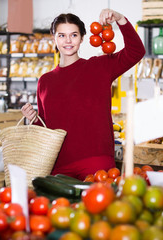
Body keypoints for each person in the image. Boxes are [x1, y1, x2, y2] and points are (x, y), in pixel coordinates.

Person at [21, 9, 145, 180]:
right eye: (62, 35)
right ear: (54, 38)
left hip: (97, 161)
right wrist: (33, 118)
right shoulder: (45, 81)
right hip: (58, 165)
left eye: (73, 35)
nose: (68, 41)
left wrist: (120, 19)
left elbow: (136, 52)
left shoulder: (100, 67)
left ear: (82, 38)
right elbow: (46, 128)